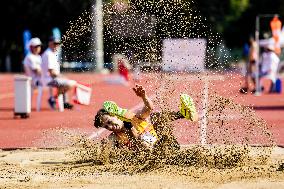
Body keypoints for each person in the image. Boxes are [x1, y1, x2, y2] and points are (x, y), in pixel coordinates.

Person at [93, 85, 198, 149]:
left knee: (155, 117)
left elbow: (148, 108)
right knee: (143, 143)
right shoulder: (114, 137)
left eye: (109, 122)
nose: (110, 127)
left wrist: (144, 97)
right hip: (153, 156)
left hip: (165, 146)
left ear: (115, 116)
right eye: (106, 127)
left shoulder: (133, 117)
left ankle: (182, 114)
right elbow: (104, 156)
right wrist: (105, 148)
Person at [41, 36, 77, 109]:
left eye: (58, 44)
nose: (56, 45)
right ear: (50, 43)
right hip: (49, 79)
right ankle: (54, 99)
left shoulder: (52, 53)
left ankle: (64, 102)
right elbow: (52, 72)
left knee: (66, 82)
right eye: (55, 43)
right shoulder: (48, 54)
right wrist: (62, 77)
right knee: (69, 84)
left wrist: (62, 77)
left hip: (51, 78)